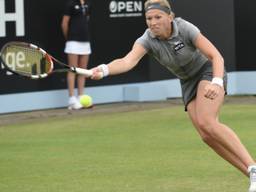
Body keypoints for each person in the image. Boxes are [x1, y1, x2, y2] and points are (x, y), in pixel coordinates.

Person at [90, 0, 256, 191]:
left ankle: (253, 168)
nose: (153, 22)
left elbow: (216, 56)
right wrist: (104, 69)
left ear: (170, 17)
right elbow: (127, 61)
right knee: (206, 136)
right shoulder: (147, 39)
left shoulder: (185, 28)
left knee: (207, 122)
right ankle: (251, 173)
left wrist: (217, 82)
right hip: (187, 82)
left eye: (158, 17)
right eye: (149, 18)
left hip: (207, 71)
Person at [61, 0, 91, 110]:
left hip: (85, 41)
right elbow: (64, 23)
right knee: (73, 69)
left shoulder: (88, 4)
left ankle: (81, 98)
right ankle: (72, 100)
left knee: (82, 70)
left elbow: (86, 19)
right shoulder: (71, 4)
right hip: (72, 41)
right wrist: (69, 38)